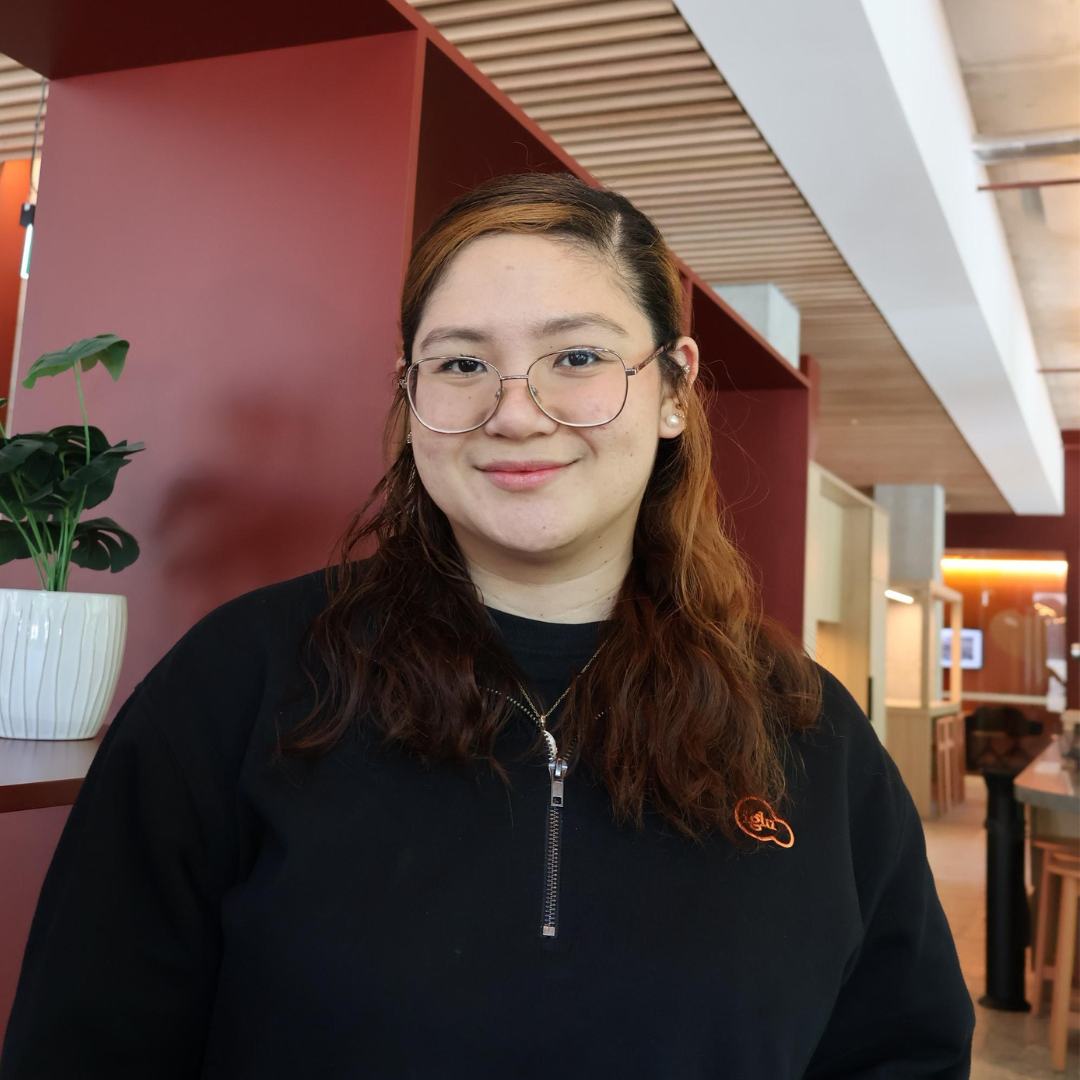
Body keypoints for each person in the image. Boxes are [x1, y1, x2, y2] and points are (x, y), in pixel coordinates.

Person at [0, 172, 974, 1079]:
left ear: (673, 390)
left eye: (578, 357)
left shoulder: (806, 730)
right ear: (411, 395)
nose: (516, 413)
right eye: (463, 363)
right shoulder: (237, 683)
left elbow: (903, 1053)